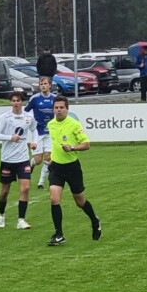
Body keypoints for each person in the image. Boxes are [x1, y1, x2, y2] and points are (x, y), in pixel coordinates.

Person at [46, 95, 101, 246]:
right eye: (56, 108)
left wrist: (72, 147)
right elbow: (54, 143)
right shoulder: (50, 124)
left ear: (67, 109)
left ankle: (94, 220)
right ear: (53, 109)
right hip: (56, 167)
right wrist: (50, 157)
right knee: (54, 199)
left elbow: (87, 144)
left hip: (72, 168)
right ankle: (59, 234)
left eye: (61, 107)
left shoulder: (74, 124)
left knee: (80, 201)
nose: (58, 110)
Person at [0, 92, 37, 230]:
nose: (16, 103)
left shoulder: (28, 117)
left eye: (18, 100)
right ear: (10, 102)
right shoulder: (5, 118)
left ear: (22, 102)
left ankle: (21, 220)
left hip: (23, 158)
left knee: (26, 188)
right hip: (7, 159)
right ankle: (1, 214)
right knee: (5, 191)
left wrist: (34, 142)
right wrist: (10, 138)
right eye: (13, 100)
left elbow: (34, 129)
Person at [25, 76, 56, 190]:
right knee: (38, 160)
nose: (43, 86)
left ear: (49, 85)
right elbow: (25, 112)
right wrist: (29, 122)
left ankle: (40, 183)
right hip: (37, 132)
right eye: (41, 84)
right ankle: (31, 164)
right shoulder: (35, 99)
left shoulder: (55, 98)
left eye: (45, 84)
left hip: (50, 132)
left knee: (48, 157)